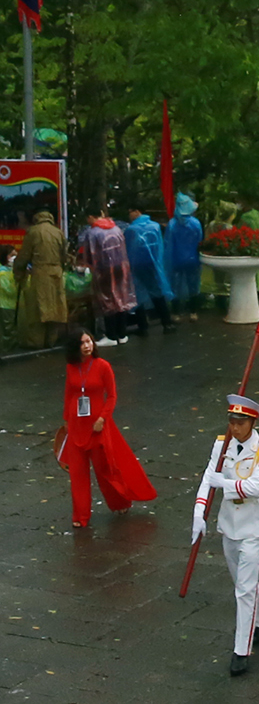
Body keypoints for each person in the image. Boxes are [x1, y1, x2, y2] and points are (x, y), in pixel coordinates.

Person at [193, 395, 259, 676]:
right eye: (232, 422)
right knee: (242, 579)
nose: (235, 428)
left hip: (254, 525)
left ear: (252, 423)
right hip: (229, 522)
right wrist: (199, 513)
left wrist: (226, 484)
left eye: (240, 423)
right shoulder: (222, 445)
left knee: (243, 589)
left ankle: (241, 650)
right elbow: (208, 478)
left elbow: (254, 487)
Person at [61, 326, 156, 529]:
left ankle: (120, 502)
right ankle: (80, 515)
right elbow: (69, 393)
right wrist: (67, 421)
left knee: (105, 469)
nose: (87, 346)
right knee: (77, 473)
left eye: (89, 341)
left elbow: (112, 396)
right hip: (77, 425)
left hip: (98, 426)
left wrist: (103, 418)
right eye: (82, 343)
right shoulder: (71, 367)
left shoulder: (102, 366)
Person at [77, 212, 136, 345]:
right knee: (120, 299)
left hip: (104, 270)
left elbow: (90, 254)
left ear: (91, 216)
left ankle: (111, 335)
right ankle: (122, 334)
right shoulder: (116, 228)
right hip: (121, 268)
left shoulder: (93, 232)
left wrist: (89, 267)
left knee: (108, 301)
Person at [14, 208, 68, 349]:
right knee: (55, 309)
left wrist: (18, 273)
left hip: (40, 274)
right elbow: (65, 256)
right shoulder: (58, 232)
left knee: (37, 309)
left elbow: (24, 256)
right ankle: (51, 341)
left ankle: (36, 343)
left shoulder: (33, 232)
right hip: (56, 273)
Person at [124, 208, 176, 335]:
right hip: (153, 265)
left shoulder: (131, 230)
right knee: (157, 292)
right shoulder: (155, 226)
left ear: (136, 211)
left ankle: (143, 326)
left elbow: (127, 248)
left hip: (137, 266)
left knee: (138, 294)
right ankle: (167, 322)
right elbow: (160, 246)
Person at [166, 194, 204, 320]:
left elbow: (168, 244)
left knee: (175, 285)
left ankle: (176, 313)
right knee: (193, 285)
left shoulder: (172, 224)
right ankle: (193, 312)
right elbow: (199, 241)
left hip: (176, 259)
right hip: (193, 259)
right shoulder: (196, 223)